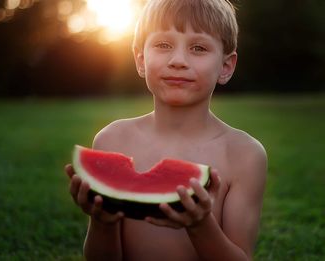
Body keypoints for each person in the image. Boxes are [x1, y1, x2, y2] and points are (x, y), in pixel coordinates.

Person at [65, 0, 267, 260]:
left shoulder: (245, 155)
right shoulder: (111, 140)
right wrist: (102, 221)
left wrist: (200, 225)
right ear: (140, 59)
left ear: (226, 67)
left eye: (198, 48)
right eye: (163, 45)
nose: (178, 60)